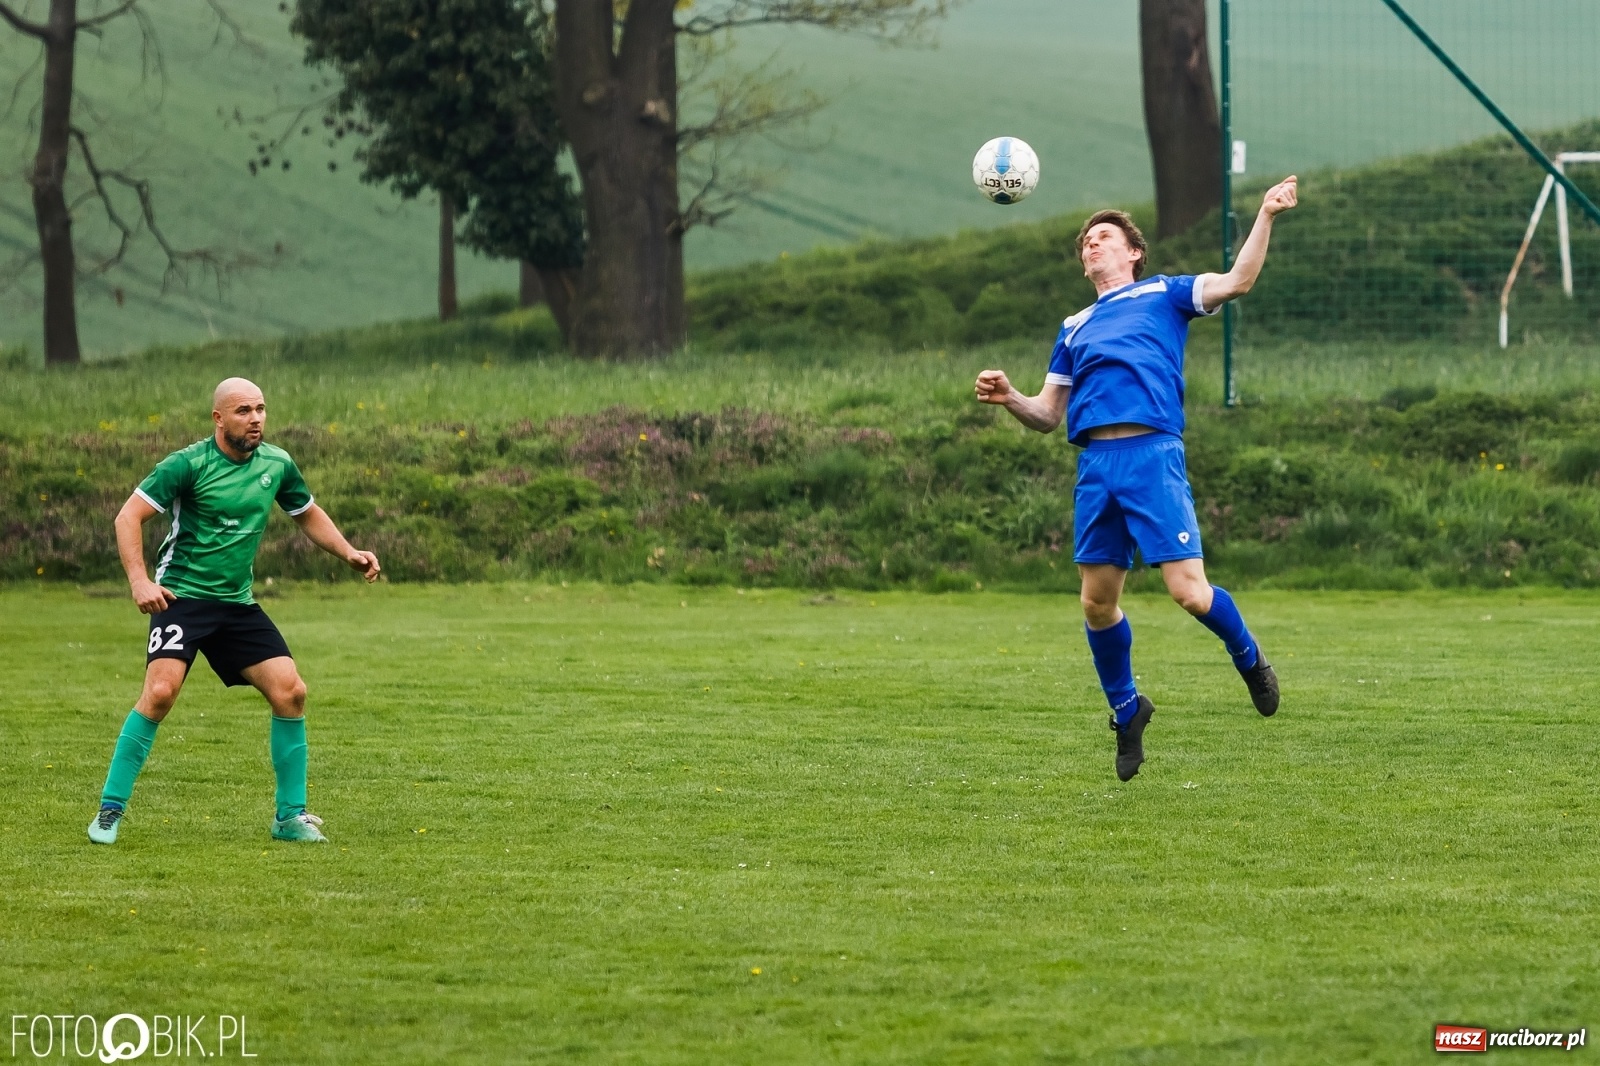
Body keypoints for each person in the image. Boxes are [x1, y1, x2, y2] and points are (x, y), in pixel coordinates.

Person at [974, 177, 1299, 781]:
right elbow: (1048, 416)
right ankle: (1127, 710)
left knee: (1189, 593)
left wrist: (1266, 215)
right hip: (1096, 466)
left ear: (1133, 252)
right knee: (1097, 604)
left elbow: (1238, 281)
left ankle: (1248, 656)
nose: (1092, 246)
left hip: (1152, 455)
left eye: (1104, 237)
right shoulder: (1074, 325)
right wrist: (1012, 396)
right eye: (1086, 243)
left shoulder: (1164, 294)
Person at [88, 377, 380, 844]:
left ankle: (290, 818)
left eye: (261, 408)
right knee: (160, 693)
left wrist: (348, 553)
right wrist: (140, 581)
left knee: (291, 692)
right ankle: (109, 810)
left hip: (237, 605)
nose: (256, 418)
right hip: (181, 598)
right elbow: (128, 516)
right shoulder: (188, 464)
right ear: (218, 418)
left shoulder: (277, 464)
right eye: (244, 410)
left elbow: (306, 511)